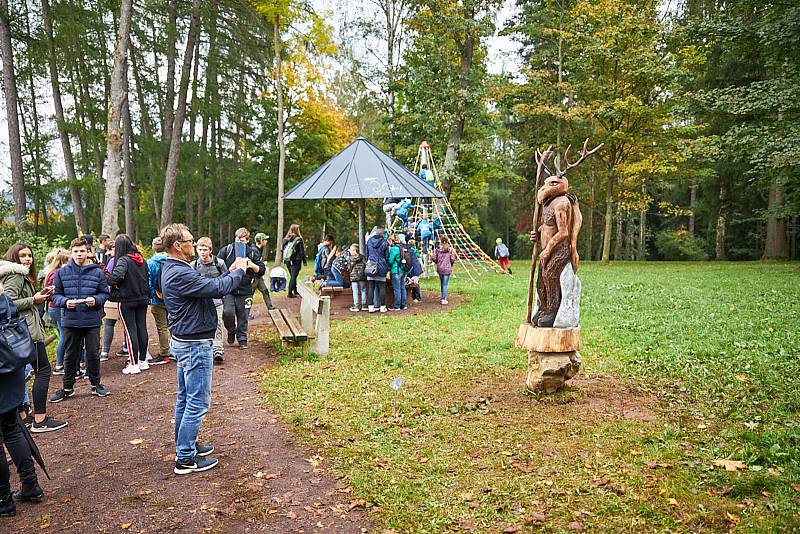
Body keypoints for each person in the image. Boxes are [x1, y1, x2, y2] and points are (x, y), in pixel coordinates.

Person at [159, 223, 251, 475]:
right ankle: (185, 457)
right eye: (189, 241)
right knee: (197, 401)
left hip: (186, 340)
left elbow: (208, 284)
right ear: (178, 245)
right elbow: (217, 289)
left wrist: (230, 271)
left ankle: (186, 445)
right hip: (194, 344)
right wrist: (239, 271)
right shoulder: (180, 272)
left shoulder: (176, 268)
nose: (193, 245)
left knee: (185, 398)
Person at [0, 245, 67, 432]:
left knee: (19, 373)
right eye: (22, 256)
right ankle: (40, 419)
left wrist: (38, 296)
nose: (27, 259)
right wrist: (33, 300)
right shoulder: (15, 275)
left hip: (20, 335)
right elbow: (8, 303)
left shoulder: (14, 275)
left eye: (29, 255)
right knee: (43, 370)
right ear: (13, 257)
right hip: (26, 334)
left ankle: (23, 417)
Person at [49, 237, 111, 401]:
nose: (79, 254)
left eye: (82, 251)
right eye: (76, 251)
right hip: (70, 320)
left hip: (92, 320)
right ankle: (68, 387)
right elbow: (55, 295)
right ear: (71, 252)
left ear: (88, 252)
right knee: (70, 355)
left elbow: (105, 293)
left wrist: (96, 300)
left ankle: (96, 384)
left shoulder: (97, 272)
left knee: (93, 354)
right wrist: (65, 302)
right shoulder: (61, 273)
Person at [0, 306, 43, 516]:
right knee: (12, 428)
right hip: (11, 367)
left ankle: (4, 500)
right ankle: (30, 484)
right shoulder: (4, 300)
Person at [217, 228, 266, 350]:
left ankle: (242, 339)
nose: (239, 242)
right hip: (229, 289)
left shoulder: (253, 252)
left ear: (247, 240)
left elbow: (261, 270)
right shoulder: (227, 250)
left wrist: (251, 265)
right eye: (237, 240)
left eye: (242, 240)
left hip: (245, 290)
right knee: (227, 313)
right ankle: (231, 330)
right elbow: (218, 267)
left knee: (243, 315)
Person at [109, 235, 151, 375]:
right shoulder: (141, 260)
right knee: (141, 328)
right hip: (142, 299)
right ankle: (143, 361)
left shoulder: (123, 260)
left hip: (127, 300)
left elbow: (116, 277)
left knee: (130, 331)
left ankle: (133, 364)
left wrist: (111, 282)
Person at [190, 237, 228, 364]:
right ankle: (204, 349)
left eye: (205, 250)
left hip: (217, 301)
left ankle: (218, 350)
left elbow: (226, 278)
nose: (202, 252)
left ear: (210, 250)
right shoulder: (193, 265)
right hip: (200, 302)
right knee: (201, 325)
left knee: (217, 324)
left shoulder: (219, 263)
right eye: (200, 249)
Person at [101, 242, 128, 361]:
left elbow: (107, 276)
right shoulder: (129, 260)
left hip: (112, 296)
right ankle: (127, 347)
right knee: (127, 323)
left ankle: (105, 351)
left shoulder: (113, 261)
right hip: (127, 296)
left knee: (109, 323)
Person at [45, 250, 71, 375]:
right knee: (64, 335)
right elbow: (52, 292)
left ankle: (60, 364)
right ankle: (59, 365)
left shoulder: (54, 272)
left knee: (63, 334)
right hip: (57, 307)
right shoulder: (56, 274)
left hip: (56, 307)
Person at [147, 237, 171, 365]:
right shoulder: (172, 260)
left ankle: (164, 353)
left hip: (157, 299)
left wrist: (152, 297)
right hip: (172, 299)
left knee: (162, 327)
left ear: (153, 247)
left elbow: (149, 282)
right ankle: (176, 350)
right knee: (174, 324)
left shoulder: (150, 263)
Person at [366, 227, 389, 313]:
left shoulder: (369, 241)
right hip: (381, 266)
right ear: (382, 234)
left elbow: (367, 253)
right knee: (382, 287)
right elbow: (387, 256)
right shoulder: (384, 242)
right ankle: (382, 307)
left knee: (371, 287)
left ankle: (371, 307)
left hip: (371, 265)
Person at [282, 224, 306, 298]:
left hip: (288, 260)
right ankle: (289, 293)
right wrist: (304, 261)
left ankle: (295, 290)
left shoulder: (286, 239)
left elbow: (282, 249)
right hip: (296, 260)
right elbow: (301, 252)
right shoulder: (298, 239)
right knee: (294, 276)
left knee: (293, 275)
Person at [431, 236, 456, 305]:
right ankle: (443, 299)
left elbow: (434, 258)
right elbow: (453, 259)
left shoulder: (438, 249)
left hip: (440, 269)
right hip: (447, 269)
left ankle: (443, 297)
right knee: (445, 284)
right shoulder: (450, 250)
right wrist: (451, 264)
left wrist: (436, 261)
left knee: (442, 284)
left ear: (441, 241)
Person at [251, 233, 274, 310]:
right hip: (254, 277)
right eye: (265, 240)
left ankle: (270, 307)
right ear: (260, 241)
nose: (266, 241)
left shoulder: (258, 249)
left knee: (265, 290)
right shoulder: (254, 250)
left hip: (258, 276)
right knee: (249, 295)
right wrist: (262, 264)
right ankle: (245, 314)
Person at [388, 234, 408, 310]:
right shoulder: (402, 247)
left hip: (396, 270)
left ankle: (397, 305)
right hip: (403, 269)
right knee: (402, 287)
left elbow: (390, 261)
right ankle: (404, 304)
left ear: (392, 241)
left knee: (397, 288)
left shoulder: (394, 249)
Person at [346, 244, 366, 312]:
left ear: (355, 250)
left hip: (354, 276)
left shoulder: (350, 258)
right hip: (362, 275)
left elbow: (349, 268)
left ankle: (356, 305)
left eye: (351, 249)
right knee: (363, 290)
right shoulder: (362, 257)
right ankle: (364, 305)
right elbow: (365, 265)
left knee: (355, 291)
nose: (350, 251)